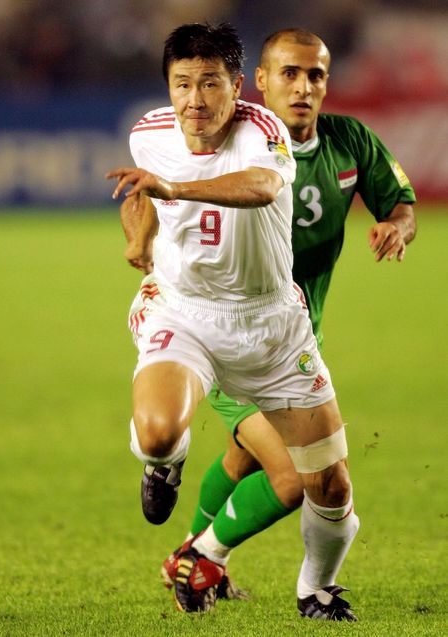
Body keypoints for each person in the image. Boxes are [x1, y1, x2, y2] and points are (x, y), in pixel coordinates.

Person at [121, 27, 417, 619]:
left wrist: (399, 224)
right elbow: (145, 191)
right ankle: (176, 496)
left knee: (327, 486)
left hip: (275, 327)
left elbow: (259, 187)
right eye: (183, 85)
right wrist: (141, 236)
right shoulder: (148, 133)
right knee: (169, 437)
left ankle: (315, 589)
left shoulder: (266, 131)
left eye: (209, 84)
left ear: (236, 87)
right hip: (187, 311)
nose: (195, 100)